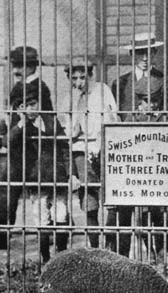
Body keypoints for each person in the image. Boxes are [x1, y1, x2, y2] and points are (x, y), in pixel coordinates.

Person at [107, 32, 168, 256]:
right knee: (123, 209)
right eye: (140, 53)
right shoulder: (121, 83)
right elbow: (115, 119)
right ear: (132, 54)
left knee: (157, 208)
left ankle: (160, 255)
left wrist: (154, 119)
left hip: (155, 152)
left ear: (154, 53)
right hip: (128, 156)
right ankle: (120, 258)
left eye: (149, 53)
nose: (145, 58)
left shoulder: (165, 81)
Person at [0, 46, 54, 250]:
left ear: (31, 67)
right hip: (18, 148)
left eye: (20, 65)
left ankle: (57, 231)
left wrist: (11, 134)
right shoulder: (20, 86)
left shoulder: (38, 88)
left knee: (36, 194)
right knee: (10, 191)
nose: (15, 70)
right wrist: (2, 131)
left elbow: (38, 119)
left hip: (32, 149)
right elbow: (13, 116)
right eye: (15, 65)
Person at [3, 82, 70, 262]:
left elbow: (64, 147)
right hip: (36, 179)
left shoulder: (50, 120)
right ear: (19, 109)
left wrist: (70, 173)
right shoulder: (20, 126)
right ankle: (45, 259)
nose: (31, 109)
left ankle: (62, 256)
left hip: (56, 177)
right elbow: (7, 142)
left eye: (33, 104)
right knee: (41, 219)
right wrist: (21, 124)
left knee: (61, 215)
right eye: (25, 106)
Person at [60, 56, 118, 248]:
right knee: (89, 201)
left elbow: (112, 119)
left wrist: (101, 142)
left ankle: (110, 244)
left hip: (103, 149)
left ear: (90, 75)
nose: (79, 82)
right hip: (81, 152)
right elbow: (68, 131)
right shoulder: (70, 98)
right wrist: (74, 123)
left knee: (111, 199)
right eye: (74, 78)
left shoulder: (102, 91)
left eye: (82, 77)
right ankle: (94, 246)